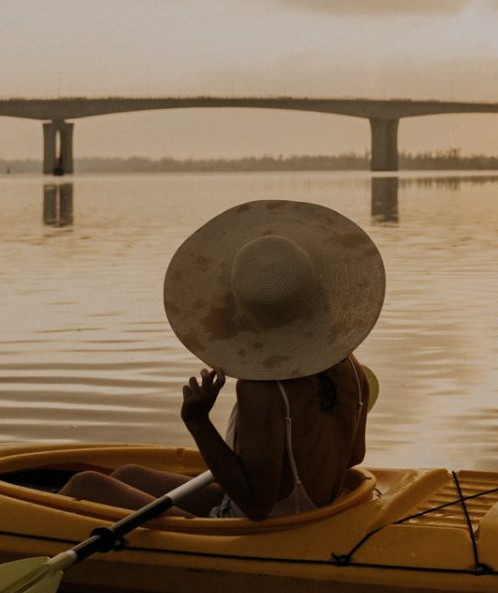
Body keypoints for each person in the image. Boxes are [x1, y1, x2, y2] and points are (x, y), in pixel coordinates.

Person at [62, 199, 384, 519]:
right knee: (128, 475)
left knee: (85, 484)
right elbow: (353, 455)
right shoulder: (349, 366)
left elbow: (255, 505)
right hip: (319, 505)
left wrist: (198, 421)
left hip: (266, 525)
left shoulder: (263, 391)